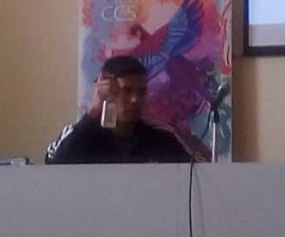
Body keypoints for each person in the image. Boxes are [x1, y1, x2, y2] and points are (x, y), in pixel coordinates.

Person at [45, 55, 192, 164]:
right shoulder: (78, 133)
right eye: (126, 91)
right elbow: (52, 167)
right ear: (104, 91)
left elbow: (199, 172)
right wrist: (93, 112)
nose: (135, 99)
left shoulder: (163, 136)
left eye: (141, 92)